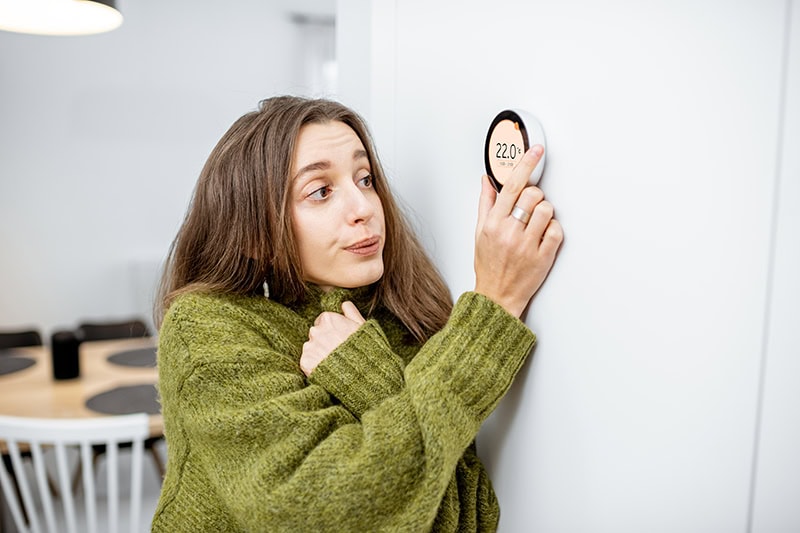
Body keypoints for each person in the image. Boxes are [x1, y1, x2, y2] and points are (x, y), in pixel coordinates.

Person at [150, 95, 563, 532]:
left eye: (365, 179)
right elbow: (317, 514)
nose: (364, 208)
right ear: (253, 231)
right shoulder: (207, 328)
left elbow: (468, 520)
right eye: (321, 191)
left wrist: (370, 377)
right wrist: (494, 306)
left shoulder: (403, 318)